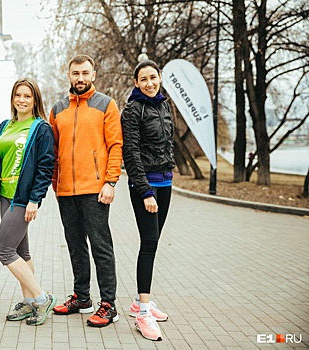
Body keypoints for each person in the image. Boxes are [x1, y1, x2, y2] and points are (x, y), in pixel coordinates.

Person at [0, 78, 56, 326]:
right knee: (22, 251)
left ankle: (41, 298)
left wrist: (34, 199)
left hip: (23, 197)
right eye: (18, 95)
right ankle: (29, 302)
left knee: (4, 251)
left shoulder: (41, 128)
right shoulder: (4, 126)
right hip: (6, 195)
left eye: (27, 96)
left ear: (35, 101)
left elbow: (45, 166)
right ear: (12, 98)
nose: (22, 100)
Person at [50, 54, 123, 327]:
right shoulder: (58, 109)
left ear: (93, 75)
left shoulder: (106, 105)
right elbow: (53, 150)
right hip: (66, 191)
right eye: (75, 73)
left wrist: (111, 181)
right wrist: (56, 183)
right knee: (75, 245)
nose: (80, 78)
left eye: (85, 73)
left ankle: (109, 305)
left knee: (101, 246)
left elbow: (116, 145)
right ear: (68, 75)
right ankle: (82, 297)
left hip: (96, 189)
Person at [121, 60, 175, 341]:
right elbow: (130, 153)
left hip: (166, 182)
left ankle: (139, 302)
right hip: (146, 186)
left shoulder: (166, 105)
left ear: (160, 78)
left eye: (153, 77)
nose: (150, 83)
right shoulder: (132, 110)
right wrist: (145, 191)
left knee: (152, 242)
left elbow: (168, 143)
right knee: (149, 243)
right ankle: (143, 311)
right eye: (144, 79)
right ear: (136, 83)